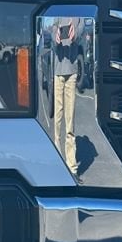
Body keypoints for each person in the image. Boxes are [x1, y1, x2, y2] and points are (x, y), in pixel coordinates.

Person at [51, 16, 81, 179]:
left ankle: (72, 168)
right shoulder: (58, 13)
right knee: (58, 119)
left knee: (70, 121)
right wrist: (55, 33)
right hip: (57, 71)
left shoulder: (78, 15)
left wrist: (75, 32)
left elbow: (83, 32)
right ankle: (57, 164)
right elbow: (51, 29)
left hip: (72, 71)